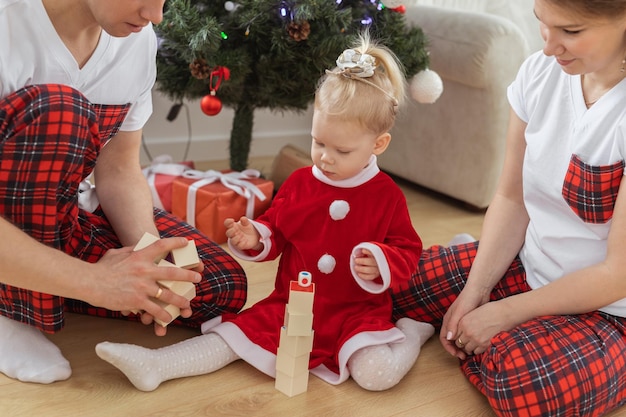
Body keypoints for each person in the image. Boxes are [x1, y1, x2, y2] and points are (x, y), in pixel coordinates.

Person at [95, 33, 435, 392]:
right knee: (232, 336)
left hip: (357, 314)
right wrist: (255, 236)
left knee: (375, 376)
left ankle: (412, 333)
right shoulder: (302, 182)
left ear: (378, 144)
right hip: (291, 306)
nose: (325, 157)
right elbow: (276, 229)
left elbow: (407, 251)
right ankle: (157, 364)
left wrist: (381, 260)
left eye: (342, 150)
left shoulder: (387, 196)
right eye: (318, 142)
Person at [390, 0, 626, 415]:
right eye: (542, 24)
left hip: (609, 310)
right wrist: (474, 293)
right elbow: (511, 198)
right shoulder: (539, 72)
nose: (551, 46)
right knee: (393, 280)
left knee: (521, 379)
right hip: (528, 264)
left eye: (571, 31)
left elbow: (617, 275)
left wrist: (503, 314)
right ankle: (518, 333)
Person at [0, 0, 247, 386]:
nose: (156, 15)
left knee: (217, 285)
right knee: (62, 111)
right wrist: (97, 283)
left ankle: (48, 283)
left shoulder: (136, 38)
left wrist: (149, 262)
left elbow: (117, 169)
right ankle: (11, 313)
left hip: (62, 216)